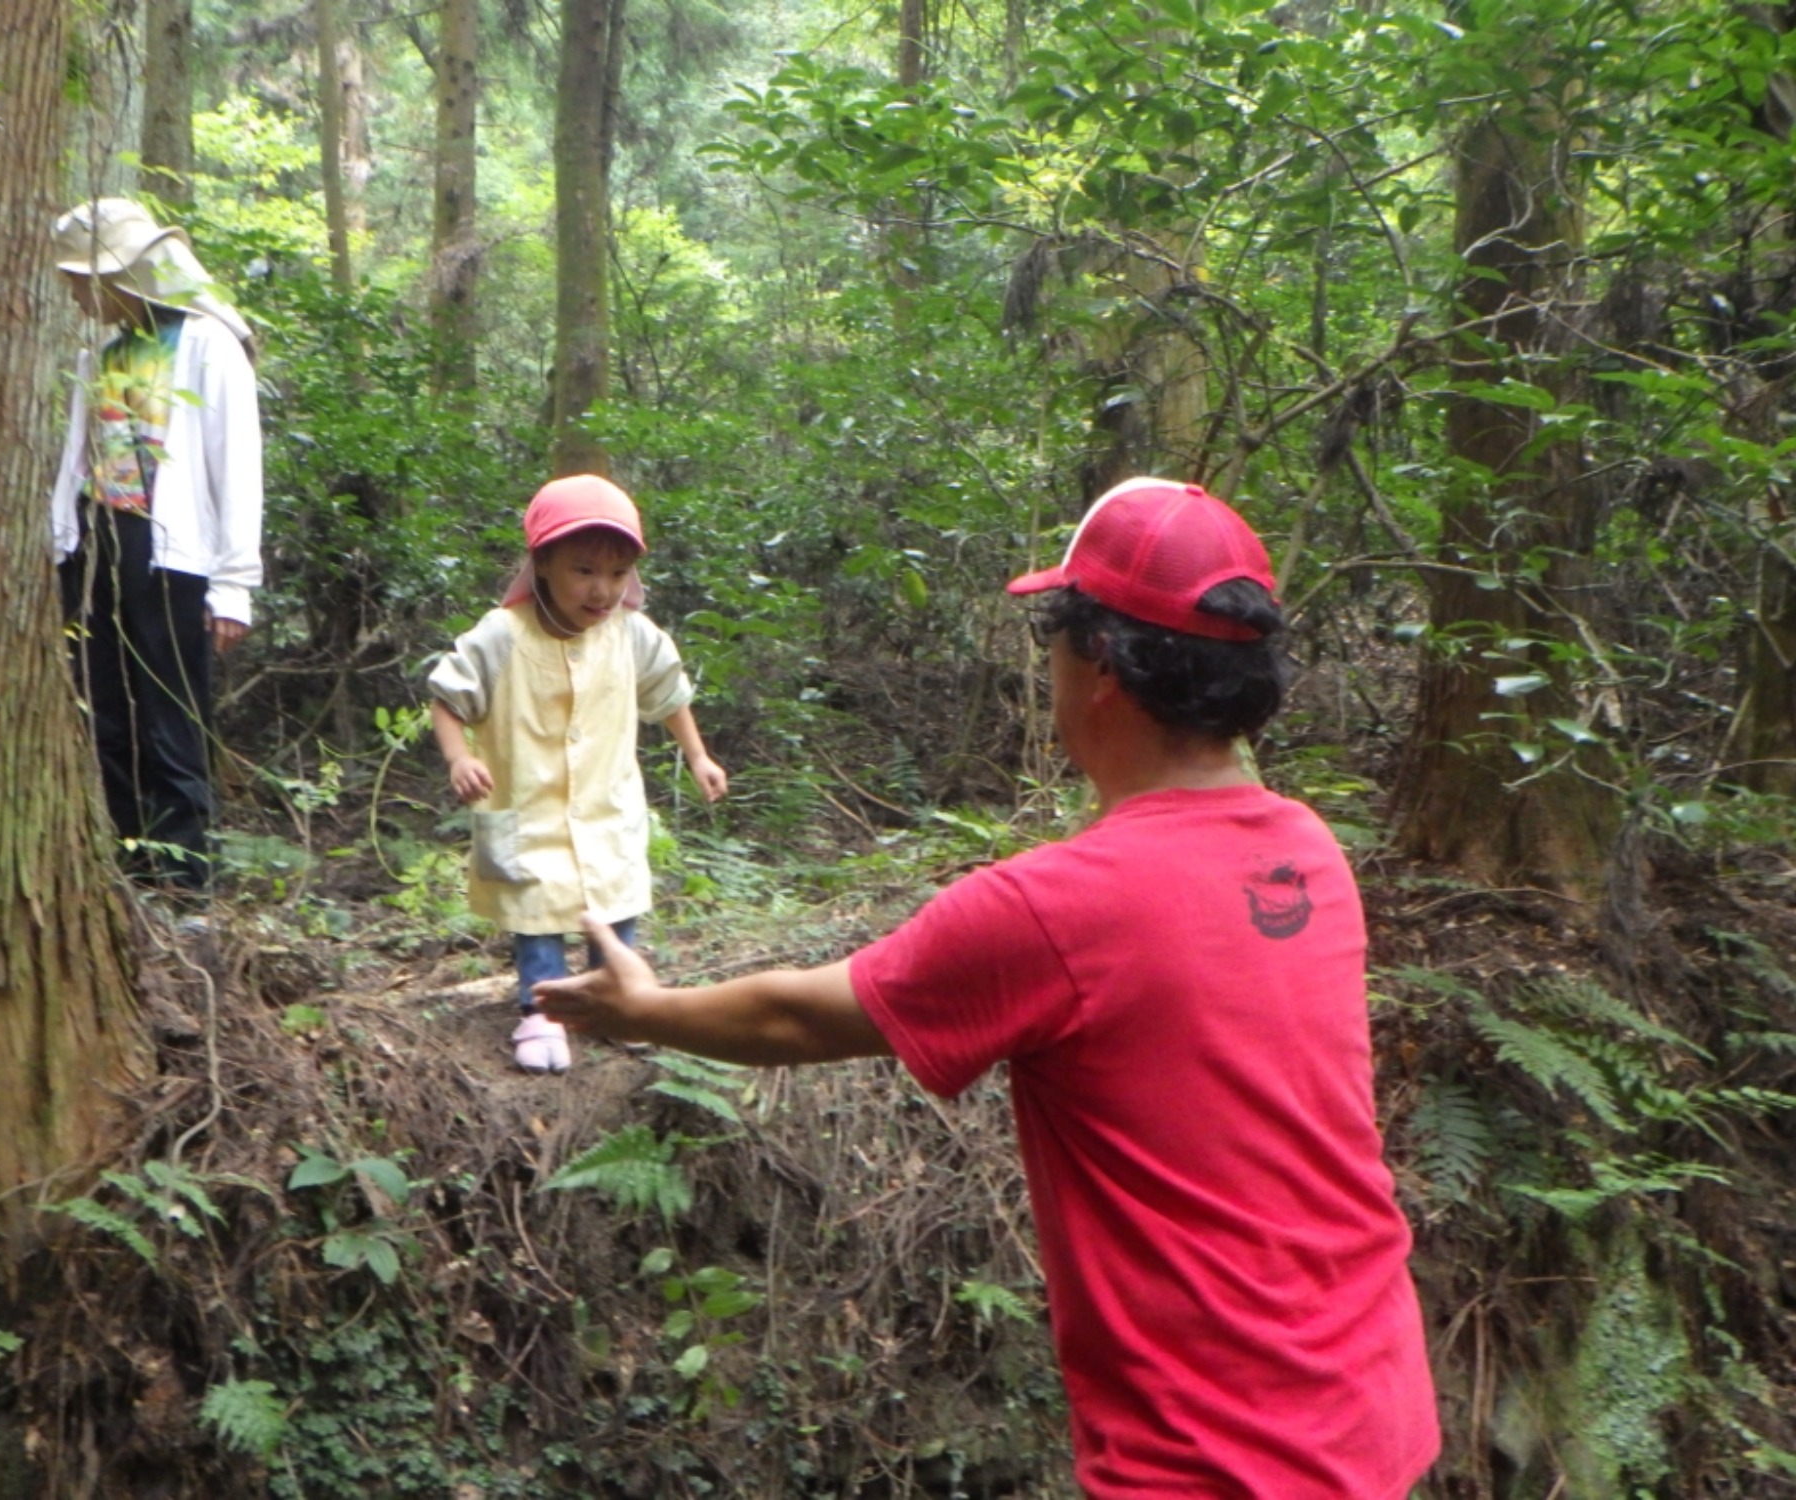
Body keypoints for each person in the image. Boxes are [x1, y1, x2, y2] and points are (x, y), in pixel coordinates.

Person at [537, 478, 1441, 1497]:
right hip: (1369, 1408)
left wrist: (641, 1010)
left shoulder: (1059, 907)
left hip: (1212, 1456)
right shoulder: (1307, 853)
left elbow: (797, 1013)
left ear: (1095, 662)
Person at [428, 475, 729, 1074]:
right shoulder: (502, 635)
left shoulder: (632, 635)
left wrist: (698, 755)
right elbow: (447, 696)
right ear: (542, 564)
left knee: (614, 903)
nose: (602, 590)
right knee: (535, 912)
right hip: (525, 804)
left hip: (606, 804)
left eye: (617, 575)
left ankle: (619, 1003)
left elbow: (669, 693)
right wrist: (460, 757)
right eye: (584, 571)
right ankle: (542, 1009)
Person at [49, 198, 264, 898]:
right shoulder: (105, 350)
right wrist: (62, 546)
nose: (76, 293)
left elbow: (236, 463)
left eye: (83, 279)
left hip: (170, 556)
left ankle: (184, 886)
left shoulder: (206, 341)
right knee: (106, 714)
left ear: (121, 273)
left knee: (171, 718)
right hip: (97, 550)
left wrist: (233, 584)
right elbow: (79, 460)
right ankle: (131, 871)